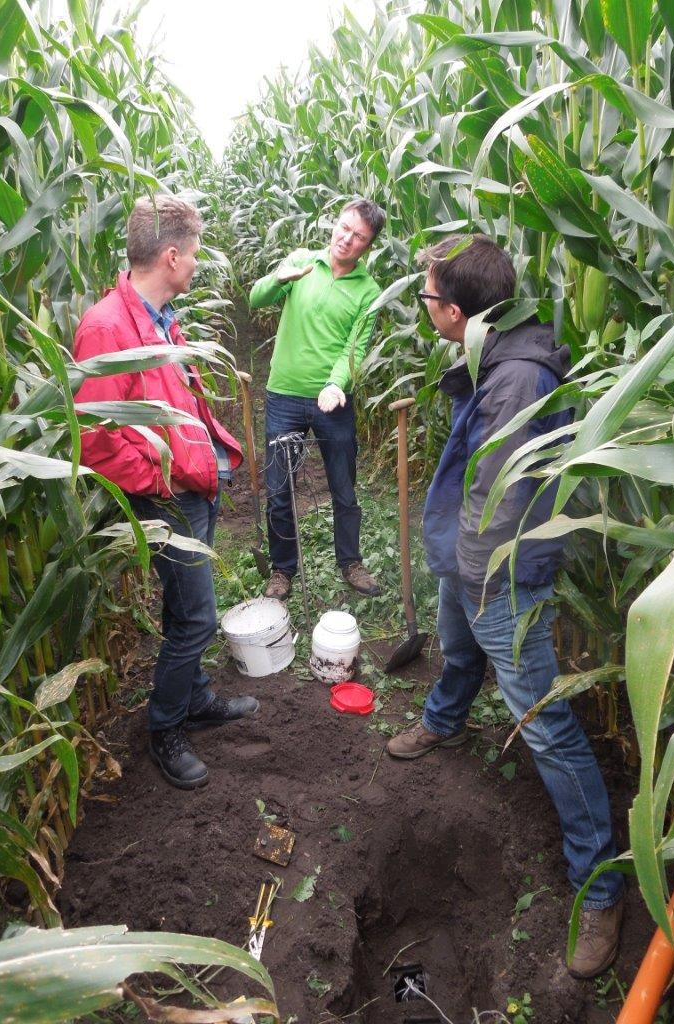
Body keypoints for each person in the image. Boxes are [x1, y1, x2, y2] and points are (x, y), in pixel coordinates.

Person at [387, 235, 624, 978]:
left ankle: (601, 883)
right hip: (470, 557)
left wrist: (472, 571)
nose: (425, 308)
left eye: (427, 299)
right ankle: (444, 721)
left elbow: (503, 492)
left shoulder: (516, 376)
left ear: (454, 311)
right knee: (458, 650)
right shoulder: (495, 346)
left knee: (544, 723)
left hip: (498, 568)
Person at [74, 195, 259, 791]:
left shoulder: (159, 316)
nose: (199, 264)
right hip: (165, 499)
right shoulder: (107, 327)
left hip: (189, 487)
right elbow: (96, 440)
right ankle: (165, 728)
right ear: (172, 256)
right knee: (197, 617)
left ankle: (195, 697)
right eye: (197, 254)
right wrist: (168, 481)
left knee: (187, 608)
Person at [249, 199, 385, 601]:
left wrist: (336, 384)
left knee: (344, 489)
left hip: (334, 400)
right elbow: (256, 299)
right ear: (334, 224)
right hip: (283, 396)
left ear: (369, 245)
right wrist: (278, 278)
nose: (347, 239)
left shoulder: (369, 291)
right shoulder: (301, 262)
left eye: (359, 236)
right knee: (278, 491)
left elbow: (355, 348)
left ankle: (350, 562)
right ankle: (282, 570)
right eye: (344, 228)